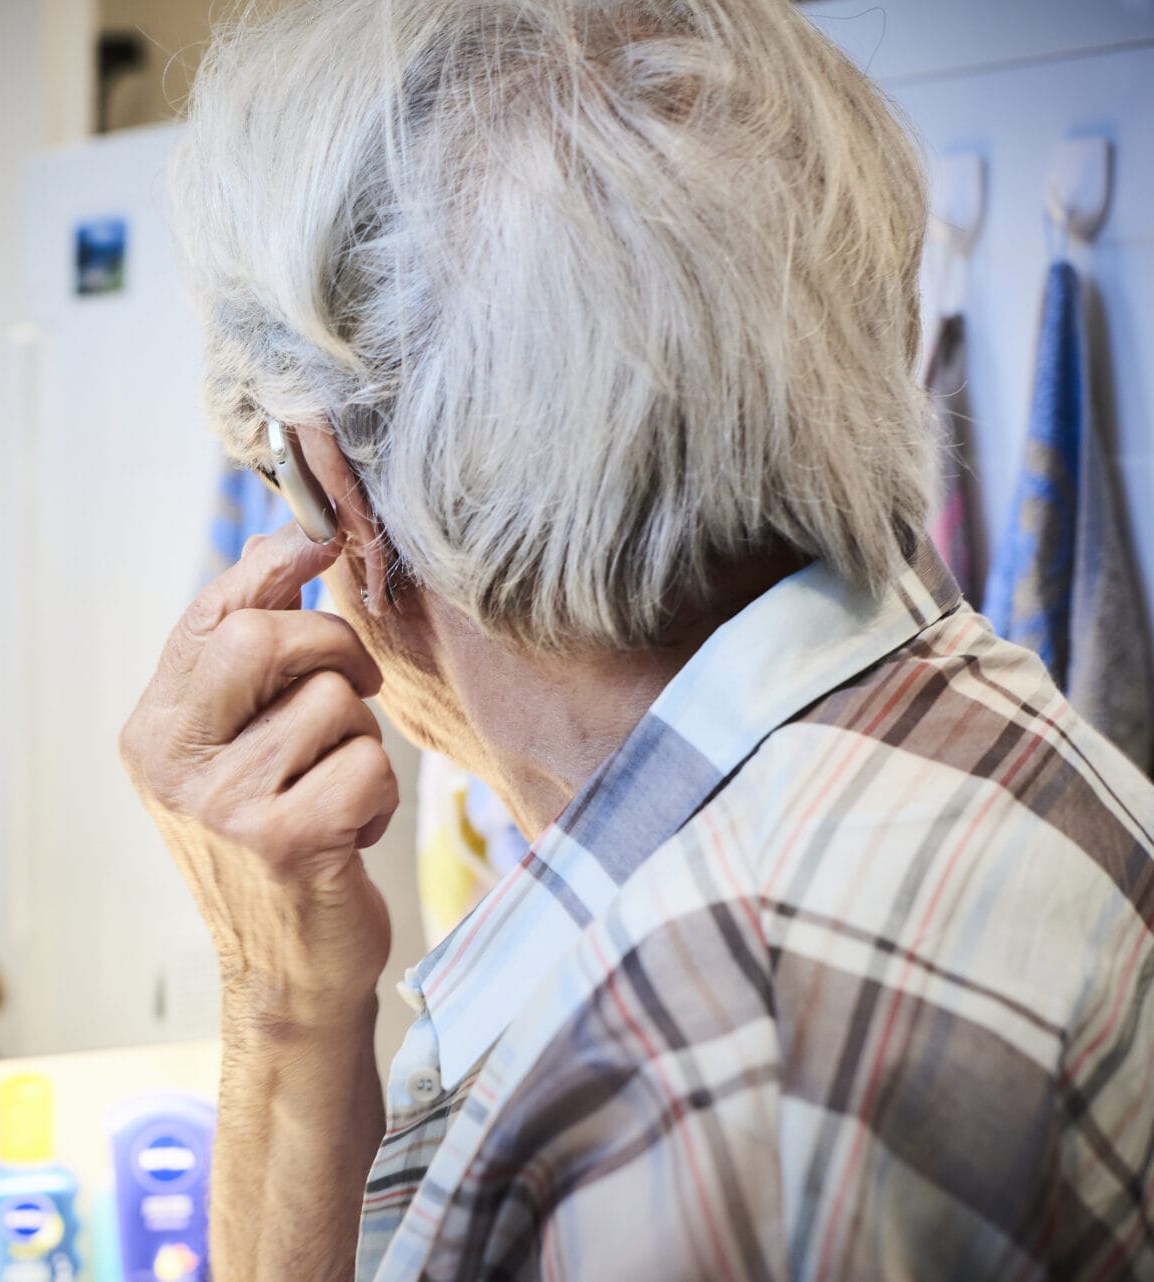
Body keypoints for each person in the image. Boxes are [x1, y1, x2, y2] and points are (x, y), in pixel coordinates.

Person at [120, 1, 1154, 1278]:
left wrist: (273, 1008)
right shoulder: (989, 720)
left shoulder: (668, 1095)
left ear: (345, 497)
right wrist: (294, 1014)